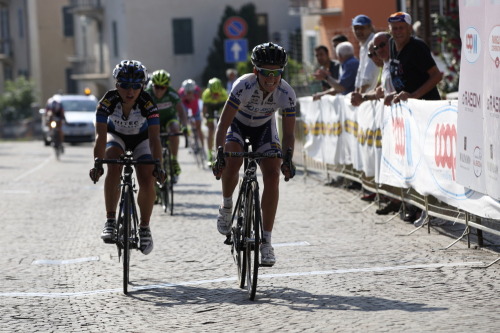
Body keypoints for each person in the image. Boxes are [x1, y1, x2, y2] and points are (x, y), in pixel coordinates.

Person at [212, 42, 296, 267]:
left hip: (264, 129)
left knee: (272, 174)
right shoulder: (243, 86)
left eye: (276, 73)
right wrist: (219, 153)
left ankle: (266, 242)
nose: (271, 78)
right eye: (266, 73)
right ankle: (227, 206)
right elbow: (223, 124)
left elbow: (289, 134)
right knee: (233, 160)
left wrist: (288, 159)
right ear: (256, 71)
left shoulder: (286, 93)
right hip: (237, 126)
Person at [89, 60, 164, 255]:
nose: (129, 92)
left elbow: (155, 138)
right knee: (113, 162)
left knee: (148, 178)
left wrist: (159, 165)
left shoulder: (148, 103)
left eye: (135, 86)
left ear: (142, 87)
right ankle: (111, 220)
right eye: (124, 86)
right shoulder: (107, 101)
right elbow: (101, 136)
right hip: (117, 137)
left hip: (142, 139)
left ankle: (144, 228)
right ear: (116, 85)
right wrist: (98, 164)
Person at [385, 12, 443, 222]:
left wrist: (414, 96)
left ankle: (430, 208)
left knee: (425, 160)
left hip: (425, 109)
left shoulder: (417, 48)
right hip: (407, 112)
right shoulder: (392, 44)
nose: (398, 32)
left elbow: (437, 75)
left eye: (402, 28)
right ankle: (416, 204)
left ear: (409, 29)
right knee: (411, 160)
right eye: (394, 28)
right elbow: (401, 77)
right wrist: (395, 94)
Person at [145, 69, 188, 181]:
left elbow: (181, 112)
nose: (159, 90)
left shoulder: (172, 94)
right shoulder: (147, 94)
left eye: (162, 87)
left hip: (169, 119)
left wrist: (184, 126)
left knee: (174, 129)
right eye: (156, 87)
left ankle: (173, 159)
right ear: (152, 85)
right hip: (154, 121)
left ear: (167, 87)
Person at [201, 77, 228, 163]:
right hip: (210, 108)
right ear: (210, 91)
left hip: (221, 106)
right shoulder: (206, 94)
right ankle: (209, 154)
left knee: (223, 128)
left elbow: (227, 109)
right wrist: (206, 118)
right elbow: (204, 109)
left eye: (217, 94)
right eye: (214, 94)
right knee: (211, 130)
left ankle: (224, 151)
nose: (216, 95)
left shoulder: (224, 94)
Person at [352, 14, 379, 94]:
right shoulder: (363, 45)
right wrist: (357, 91)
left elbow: (369, 73)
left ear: (370, 28)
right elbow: (360, 71)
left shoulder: (374, 41)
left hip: (373, 94)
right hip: (367, 94)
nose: (358, 31)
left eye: (361, 28)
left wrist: (360, 95)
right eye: (355, 28)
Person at [178, 79, 204, 152]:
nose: (189, 94)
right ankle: (189, 137)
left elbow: (201, 96)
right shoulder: (181, 93)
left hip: (195, 107)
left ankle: (202, 146)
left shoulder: (197, 90)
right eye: (187, 92)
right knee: (185, 120)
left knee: (198, 127)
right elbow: (179, 105)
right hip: (185, 106)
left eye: (190, 92)